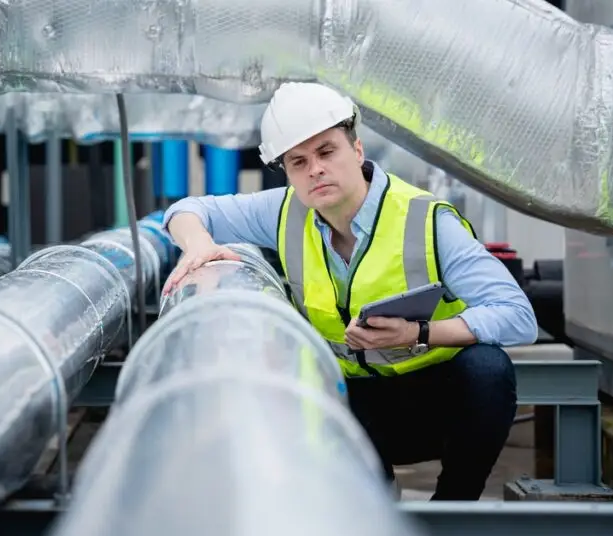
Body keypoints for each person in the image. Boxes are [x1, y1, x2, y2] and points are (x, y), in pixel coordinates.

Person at [161, 82, 538, 501]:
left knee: (488, 369)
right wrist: (197, 243)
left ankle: (455, 506)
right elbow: (185, 210)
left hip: (435, 401)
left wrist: (419, 333)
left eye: (326, 152)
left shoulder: (426, 221)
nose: (314, 170)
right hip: (352, 405)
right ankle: (371, 499)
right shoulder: (285, 211)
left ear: (357, 151)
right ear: (286, 170)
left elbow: (518, 316)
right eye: (298, 162)